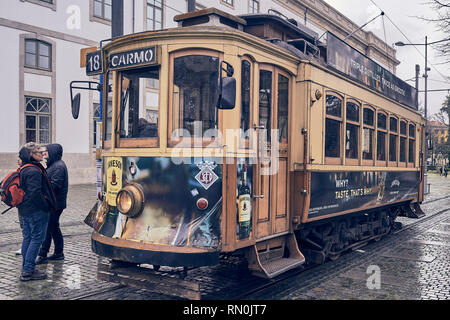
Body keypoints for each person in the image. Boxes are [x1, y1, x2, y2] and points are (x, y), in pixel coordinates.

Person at [17, 142, 56, 281]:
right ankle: (28, 270)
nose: (42, 154)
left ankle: (26, 267)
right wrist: (45, 206)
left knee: (28, 238)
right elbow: (34, 193)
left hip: (25, 209)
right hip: (36, 211)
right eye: (39, 152)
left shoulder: (24, 168)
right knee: (36, 239)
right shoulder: (33, 170)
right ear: (32, 155)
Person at [36, 143, 68, 264]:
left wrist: (42, 190)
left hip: (56, 204)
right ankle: (59, 253)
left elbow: (55, 185)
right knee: (54, 228)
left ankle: (43, 254)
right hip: (54, 203)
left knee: (49, 228)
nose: (44, 154)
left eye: (47, 151)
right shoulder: (54, 164)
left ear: (53, 152)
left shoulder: (58, 166)